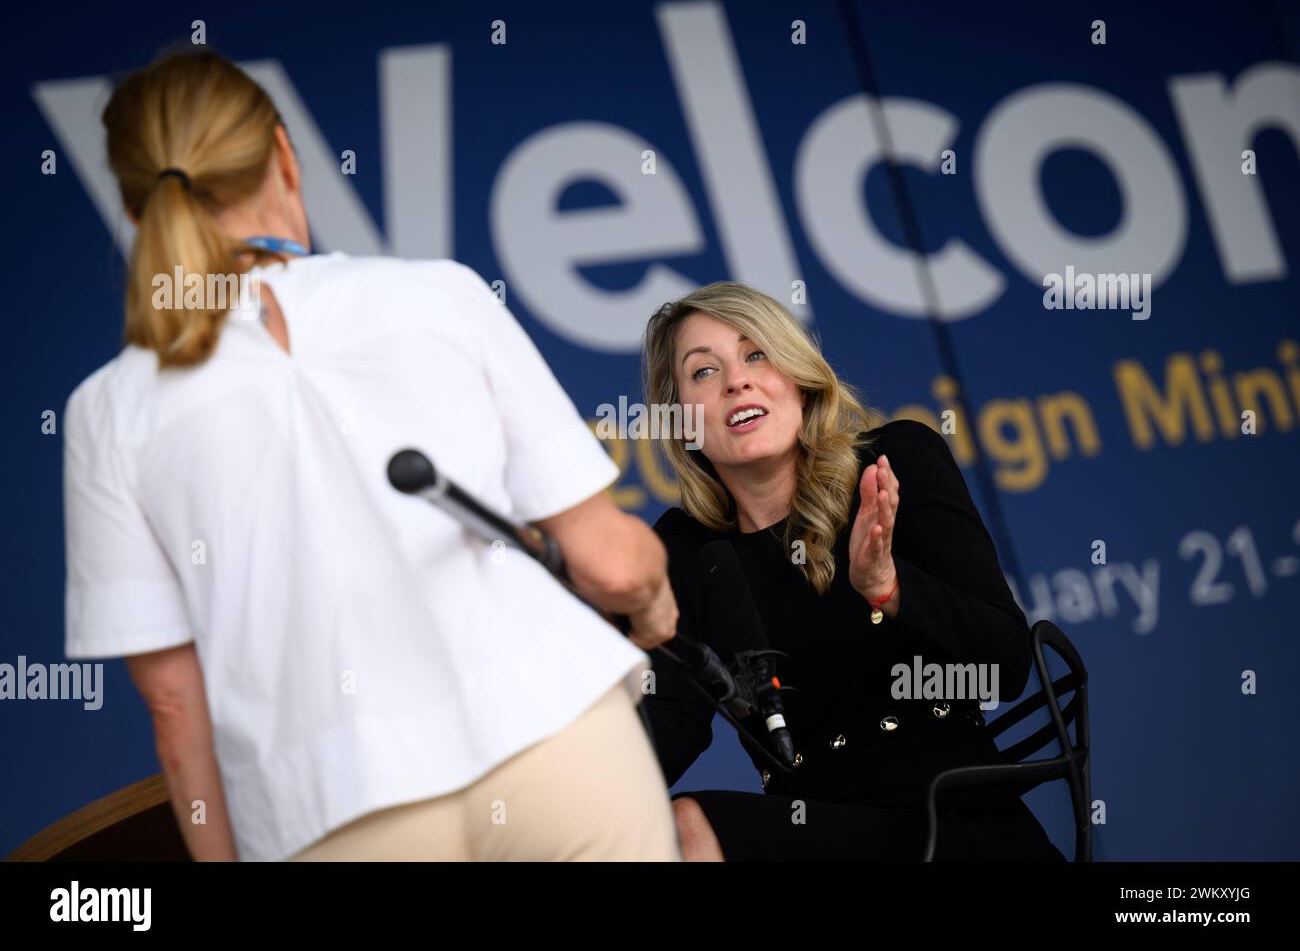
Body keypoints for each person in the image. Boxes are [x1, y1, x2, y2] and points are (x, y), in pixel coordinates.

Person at [62, 48, 681, 862]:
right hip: (557, 744)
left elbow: (175, 709)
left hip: (335, 813)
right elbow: (611, 564)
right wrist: (655, 601)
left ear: (138, 214)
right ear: (284, 154)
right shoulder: (435, 296)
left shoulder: (107, 411)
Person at [638, 282, 1067, 862]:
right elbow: (672, 723)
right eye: (703, 372)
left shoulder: (895, 460)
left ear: (799, 377)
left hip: (949, 825)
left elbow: (1005, 666)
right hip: (809, 829)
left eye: (756, 353)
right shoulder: (687, 549)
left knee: (690, 828)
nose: (736, 380)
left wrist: (889, 588)